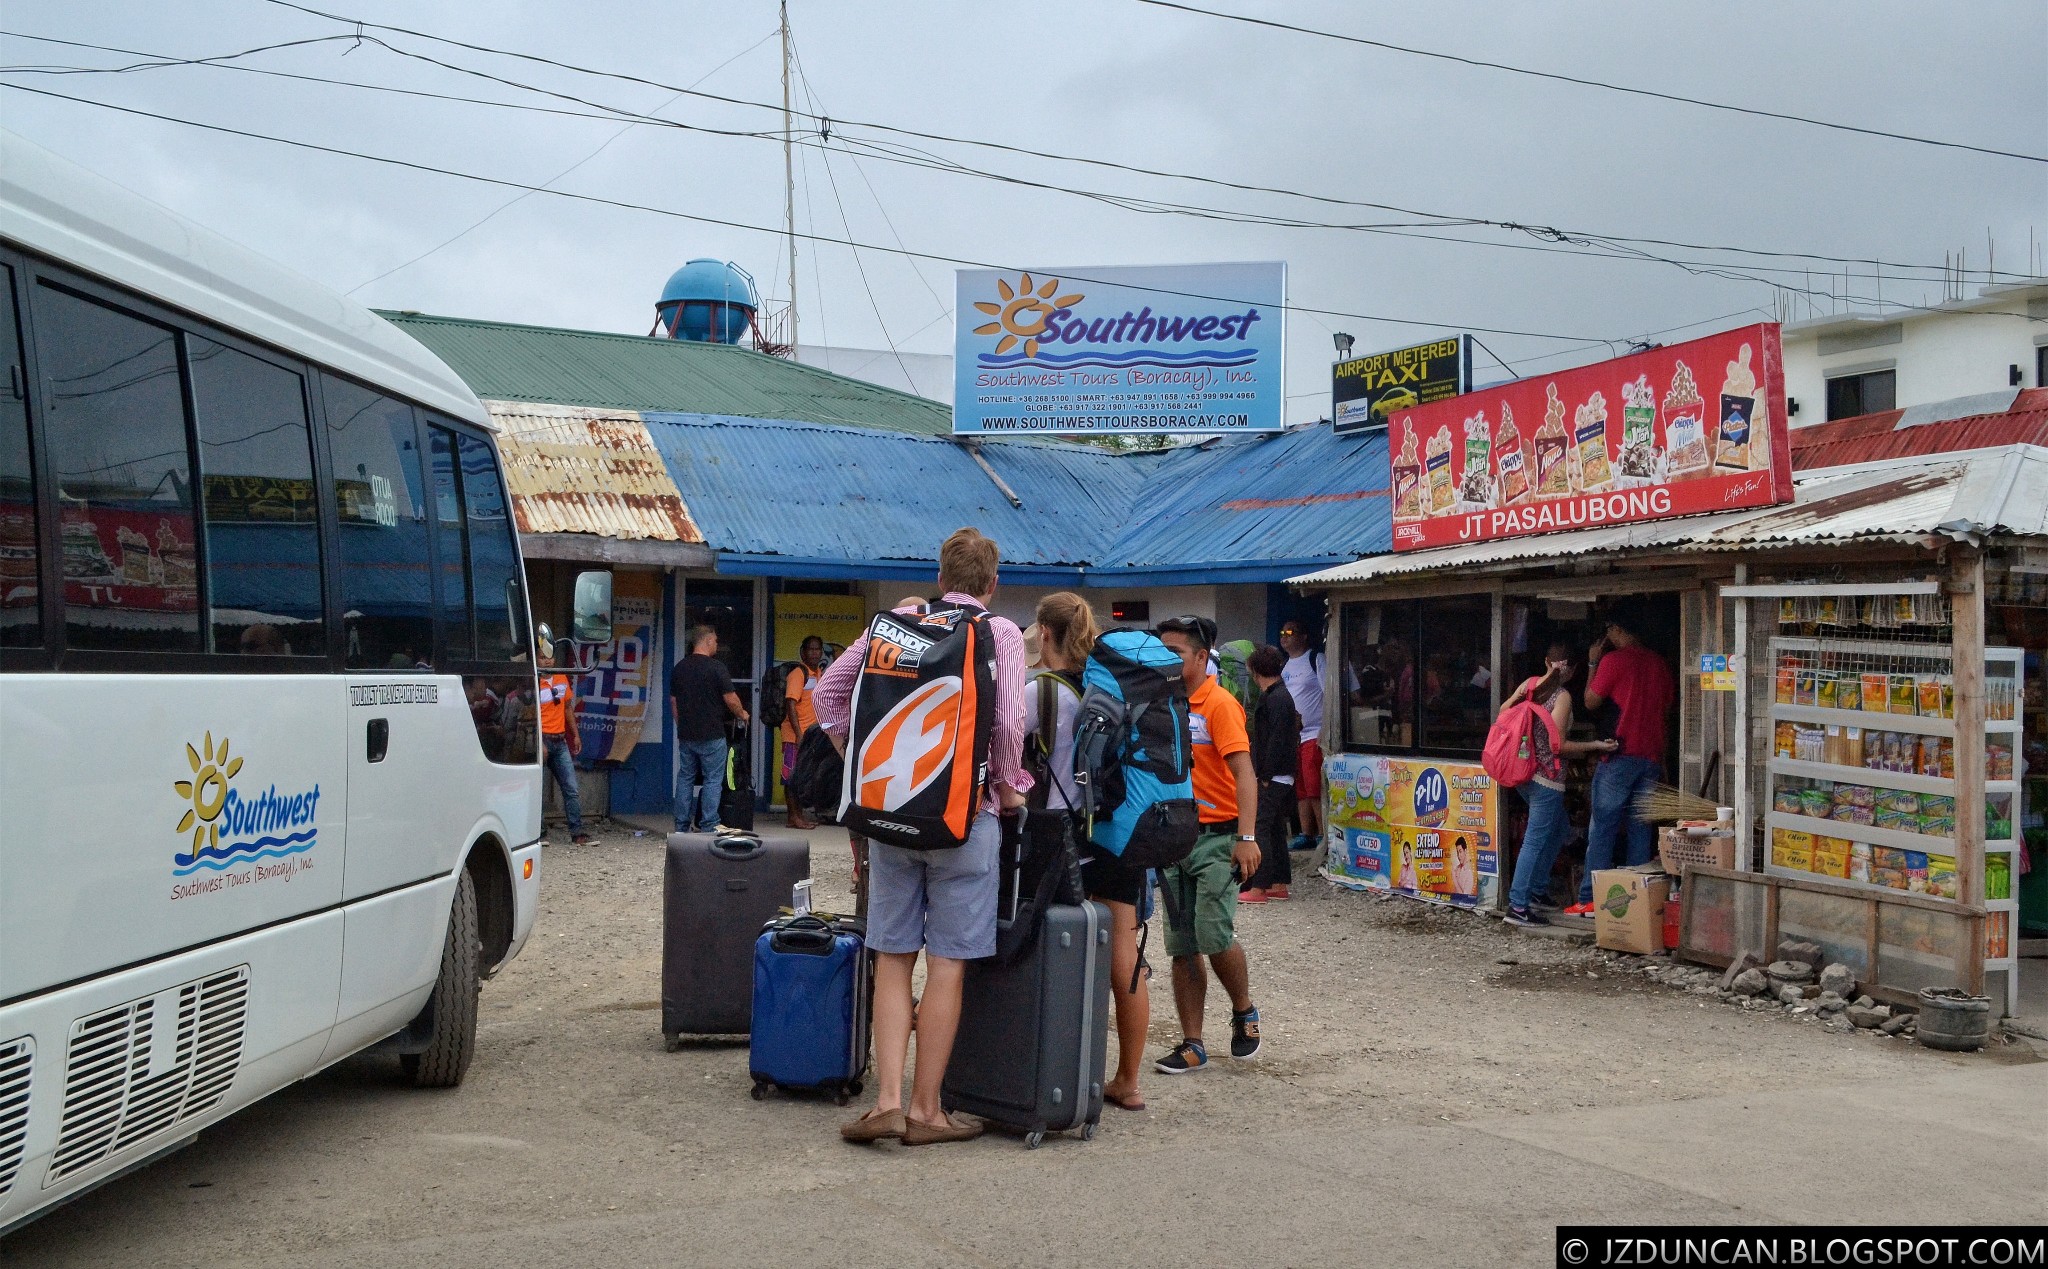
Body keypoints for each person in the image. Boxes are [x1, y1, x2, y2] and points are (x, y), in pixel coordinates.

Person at [818, 528, 1029, 1146]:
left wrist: (859, 761)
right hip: (967, 820)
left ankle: (883, 1101)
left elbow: (829, 695)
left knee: (892, 959)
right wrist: (1012, 788)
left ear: (941, 578)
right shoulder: (1002, 634)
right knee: (948, 965)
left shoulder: (897, 625)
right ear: (992, 584)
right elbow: (1009, 725)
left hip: (889, 817)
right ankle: (925, 1111)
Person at [1027, 592, 1152, 1110]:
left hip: (1063, 832)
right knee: (1125, 956)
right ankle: (1127, 1079)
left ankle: (1056, 1065)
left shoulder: (1039, 690)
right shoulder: (1110, 684)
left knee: (1052, 942)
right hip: (1123, 828)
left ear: (1046, 633)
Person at [1151, 614, 1263, 1075]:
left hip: (1217, 839)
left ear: (1201, 657)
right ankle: (1192, 1043)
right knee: (1181, 946)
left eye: (1176, 652)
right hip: (1172, 839)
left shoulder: (1218, 704)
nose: (1168, 660)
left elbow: (1244, 774)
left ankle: (1244, 1010)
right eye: (1162, 651)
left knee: (1214, 934)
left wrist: (1247, 838)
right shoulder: (1161, 704)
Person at [1566, 605, 1676, 917]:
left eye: (1609, 631)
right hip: (1651, 756)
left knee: (1603, 829)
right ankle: (1635, 901)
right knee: (1640, 829)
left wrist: (1591, 662)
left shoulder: (1613, 661)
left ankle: (1589, 899)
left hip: (1619, 755)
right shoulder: (1660, 665)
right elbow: (1665, 714)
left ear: (1616, 630)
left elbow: (1590, 701)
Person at [1500, 642, 1618, 926]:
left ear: (1545, 661)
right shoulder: (1561, 695)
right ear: (1574, 669)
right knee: (1535, 839)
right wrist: (1596, 745)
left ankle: (1537, 890)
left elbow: (1502, 714)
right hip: (1546, 780)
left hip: (1523, 775)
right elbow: (1559, 746)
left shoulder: (1528, 685)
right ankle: (1518, 905)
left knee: (1559, 828)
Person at [669, 626, 748, 835]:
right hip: (712, 733)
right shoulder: (716, 667)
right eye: (714, 640)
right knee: (713, 779)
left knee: (685, 777)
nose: (716, 645)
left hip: (687, 734)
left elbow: (674, 703)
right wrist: (742, 714)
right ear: (705, 641)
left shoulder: (679, 668)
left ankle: (681, 827)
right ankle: (708, 824)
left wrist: (681, 725)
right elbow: (730, 699)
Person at [1243, 644, 1299, 903]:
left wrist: (1264, 774)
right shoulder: (1281, 696)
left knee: (1260, 827)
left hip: (1273, 774)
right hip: (1280, 773)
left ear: (1255, 671)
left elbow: (1275, 740)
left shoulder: (1275, 698)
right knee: (1275, 827)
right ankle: (1278, 881)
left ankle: (1260, 886)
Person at [537, 638, 592, 845]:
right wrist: (538, 741)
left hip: (560, 740)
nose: (547, 661)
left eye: (550, 657)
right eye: (542, 658)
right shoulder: (534, 681)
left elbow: (567, 708)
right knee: (539, 791)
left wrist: (575, 734)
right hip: (541, 739)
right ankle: (540, 833)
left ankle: (577, 832)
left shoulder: (561, 678)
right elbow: (530, 714)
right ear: (536, 660)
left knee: (571, 787)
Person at [1277, 621, 1325, 853]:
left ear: (1304, 636)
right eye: (1282, 633)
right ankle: (1306, 833)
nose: (1284, 637)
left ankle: (1323, 833)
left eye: (1290, 632)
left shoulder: (1315, 659)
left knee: (1314, 785)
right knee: (1302, 788)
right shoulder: (1285, 666)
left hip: (1314, 733)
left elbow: (1329, 692)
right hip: (1294, 736)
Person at [780, 635, 826, 830]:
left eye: (818, 649)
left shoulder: (818, 673)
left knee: (801, 776)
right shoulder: (798, 673)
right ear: (802, 652)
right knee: (790, 777)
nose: (815, 653)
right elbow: (790, 704)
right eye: (811, 649)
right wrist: (799, 735)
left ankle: (799, 816)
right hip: (795, 736)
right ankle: (793, 817)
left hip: (811, 735)